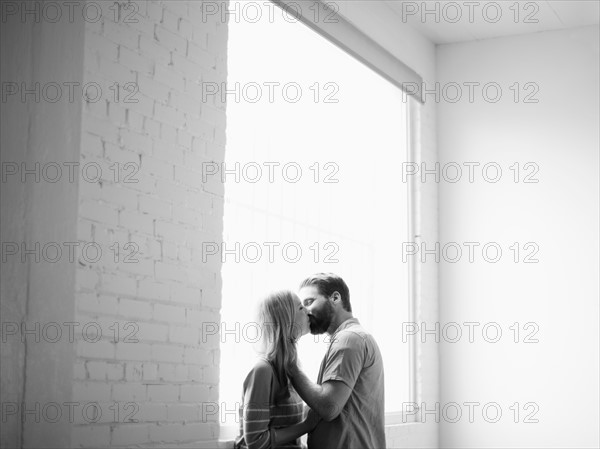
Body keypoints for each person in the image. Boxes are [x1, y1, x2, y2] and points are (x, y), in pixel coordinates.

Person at [288, 273, 386, 449]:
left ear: (335, 297)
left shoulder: (348, 339)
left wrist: (289, 365)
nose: (306, 313)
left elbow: (329, 407)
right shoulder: (353, 337)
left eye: (309, 302)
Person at [235, 290, 321, 449]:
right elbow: (256, 442)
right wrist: (306, 425)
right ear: (286, 320)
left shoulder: (290, 369)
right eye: (301, 308)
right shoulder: (263, 370)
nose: (308, 311)